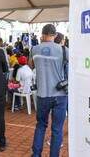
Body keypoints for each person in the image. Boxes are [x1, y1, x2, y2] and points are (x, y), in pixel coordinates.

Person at [29, 24, 68, 157]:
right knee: (57, 130)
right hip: (60, 95)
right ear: (55, 35)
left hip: (42, 94)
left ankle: (36, 154)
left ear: (42, 34)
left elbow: (31, 66)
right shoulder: (63, 50)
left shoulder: (34, 49)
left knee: (40, 125)